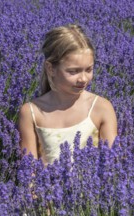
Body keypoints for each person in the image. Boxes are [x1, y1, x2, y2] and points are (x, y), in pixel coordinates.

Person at [18, 24, 118, 165]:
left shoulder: (101, 108)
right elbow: (29, 171)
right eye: (73, 71)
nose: (83, 78)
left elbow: (114, 163)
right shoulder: (31, 112)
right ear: (50, 68)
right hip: (46, 186)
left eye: (88, 70)